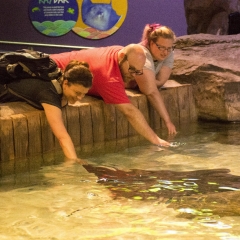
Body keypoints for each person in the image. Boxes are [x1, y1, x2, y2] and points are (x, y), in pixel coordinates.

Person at [50, 44, 170, 147]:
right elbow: (129, 112)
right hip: (46, 74)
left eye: (137, 71)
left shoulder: (119, 52)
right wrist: (156, 140)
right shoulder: (108, 77)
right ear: (122, 57)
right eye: (132, 69)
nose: (134, 75)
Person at [0, 60, 93, 163]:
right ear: (66, 83)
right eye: (77, 93)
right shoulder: (49, 93)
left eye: (84, 94)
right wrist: (74, 160)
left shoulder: (60, 79)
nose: (80, 98)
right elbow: (62, 136)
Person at [125, 23, 177, 135]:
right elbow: (150, 91)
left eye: (169, 48)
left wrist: (147, 82)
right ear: (151, 43)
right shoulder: (141, 54)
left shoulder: (168, 52)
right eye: (161, 47)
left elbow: (161, 81)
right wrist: (167, 121)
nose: (165, 52)